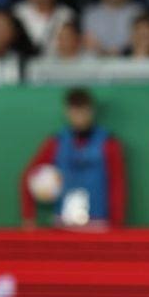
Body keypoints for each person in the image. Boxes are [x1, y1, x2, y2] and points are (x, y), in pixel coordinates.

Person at [21, 88, 127, 229]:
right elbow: (29, 176)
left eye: (84, 111)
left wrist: (116, 223)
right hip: (62, 223)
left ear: (92, 111)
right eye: (75, 112)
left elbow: (117, 184)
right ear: (67, 112)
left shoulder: (109, 143)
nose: (80, 118)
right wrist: (29, 218)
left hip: (98, 223)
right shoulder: (56, 142)